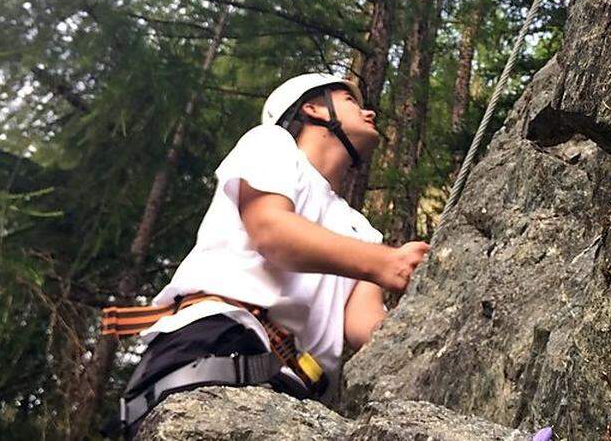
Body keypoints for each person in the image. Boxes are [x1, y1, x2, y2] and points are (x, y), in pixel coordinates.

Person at [106, 73, 429, 437]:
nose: (370, 113)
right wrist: (386, 262)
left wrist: (425, 289)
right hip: (217, 342)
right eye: (352, 101)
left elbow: (365, 328)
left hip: (298, 395)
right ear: (313, 108)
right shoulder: (271, 144)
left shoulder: (362, 231)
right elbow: (272, 232)